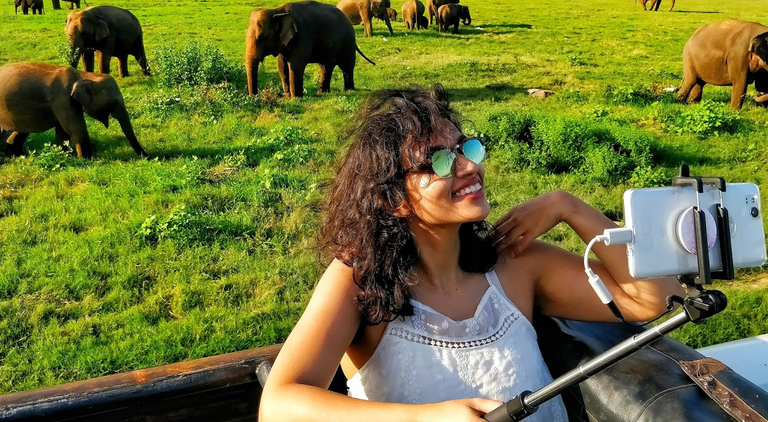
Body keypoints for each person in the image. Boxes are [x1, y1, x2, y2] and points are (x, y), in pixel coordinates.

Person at [259, 84, 681, 422]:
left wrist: (568, 206)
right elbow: (278, 406)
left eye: (466, 148)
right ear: (393, 200)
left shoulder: (516, 263)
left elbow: (656, 298)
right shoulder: (361, 279)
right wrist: (426, 419)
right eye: (439, 161)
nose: (467, 167)